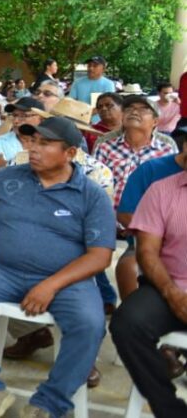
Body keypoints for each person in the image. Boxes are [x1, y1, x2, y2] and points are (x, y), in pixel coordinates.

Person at [0, 117, 116, 418]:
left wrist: (50, 285)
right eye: (33, 141)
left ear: (70, 154)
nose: (34, 149)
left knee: (89, 324)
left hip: (66, 281)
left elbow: (99, 257)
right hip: (3, 270)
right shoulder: (10, 177)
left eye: (45, 143)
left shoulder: (91, 195)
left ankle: (49, 403)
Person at [110, 131, 187, 418]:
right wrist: (173, 295)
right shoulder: (162, 190)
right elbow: (147, 253)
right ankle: (170, 411)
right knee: (128, 324)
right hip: (170, 284)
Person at [0, 97, 45, 173]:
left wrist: (7, 166)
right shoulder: (1, 142)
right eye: (14, 115)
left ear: (41, 118)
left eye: (24, 116)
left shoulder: (50, 143)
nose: (16, 121)